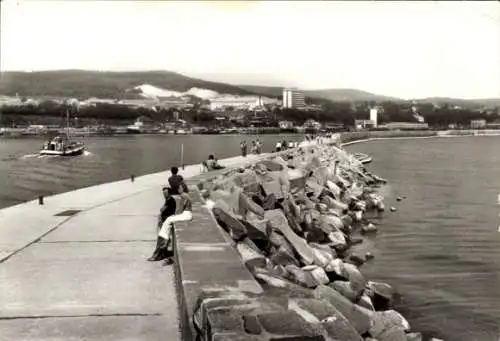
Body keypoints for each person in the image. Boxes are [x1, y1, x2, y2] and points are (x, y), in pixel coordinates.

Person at [158, 184, 193, 265]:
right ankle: (165, 235)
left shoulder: (183, 195)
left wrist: (176, 215)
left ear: (183, 188)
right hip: (186, 214)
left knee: (169, 219)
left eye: (180, 188)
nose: (178, 189)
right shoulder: (185, 195)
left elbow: (180, 208)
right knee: (169, 219)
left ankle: (164, 236)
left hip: (186, 214)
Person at [147, 186, 177, 262]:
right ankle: (162, 254)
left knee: (161, 240)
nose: (164, 194)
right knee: (164, 240)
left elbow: (162, 209)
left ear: (169, 193)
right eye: (163, 193)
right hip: (165, 222)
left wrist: (162, 212)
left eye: (165, 193)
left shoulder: (170, 201)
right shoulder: (168, 200)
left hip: (166, 223)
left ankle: (156, 256)